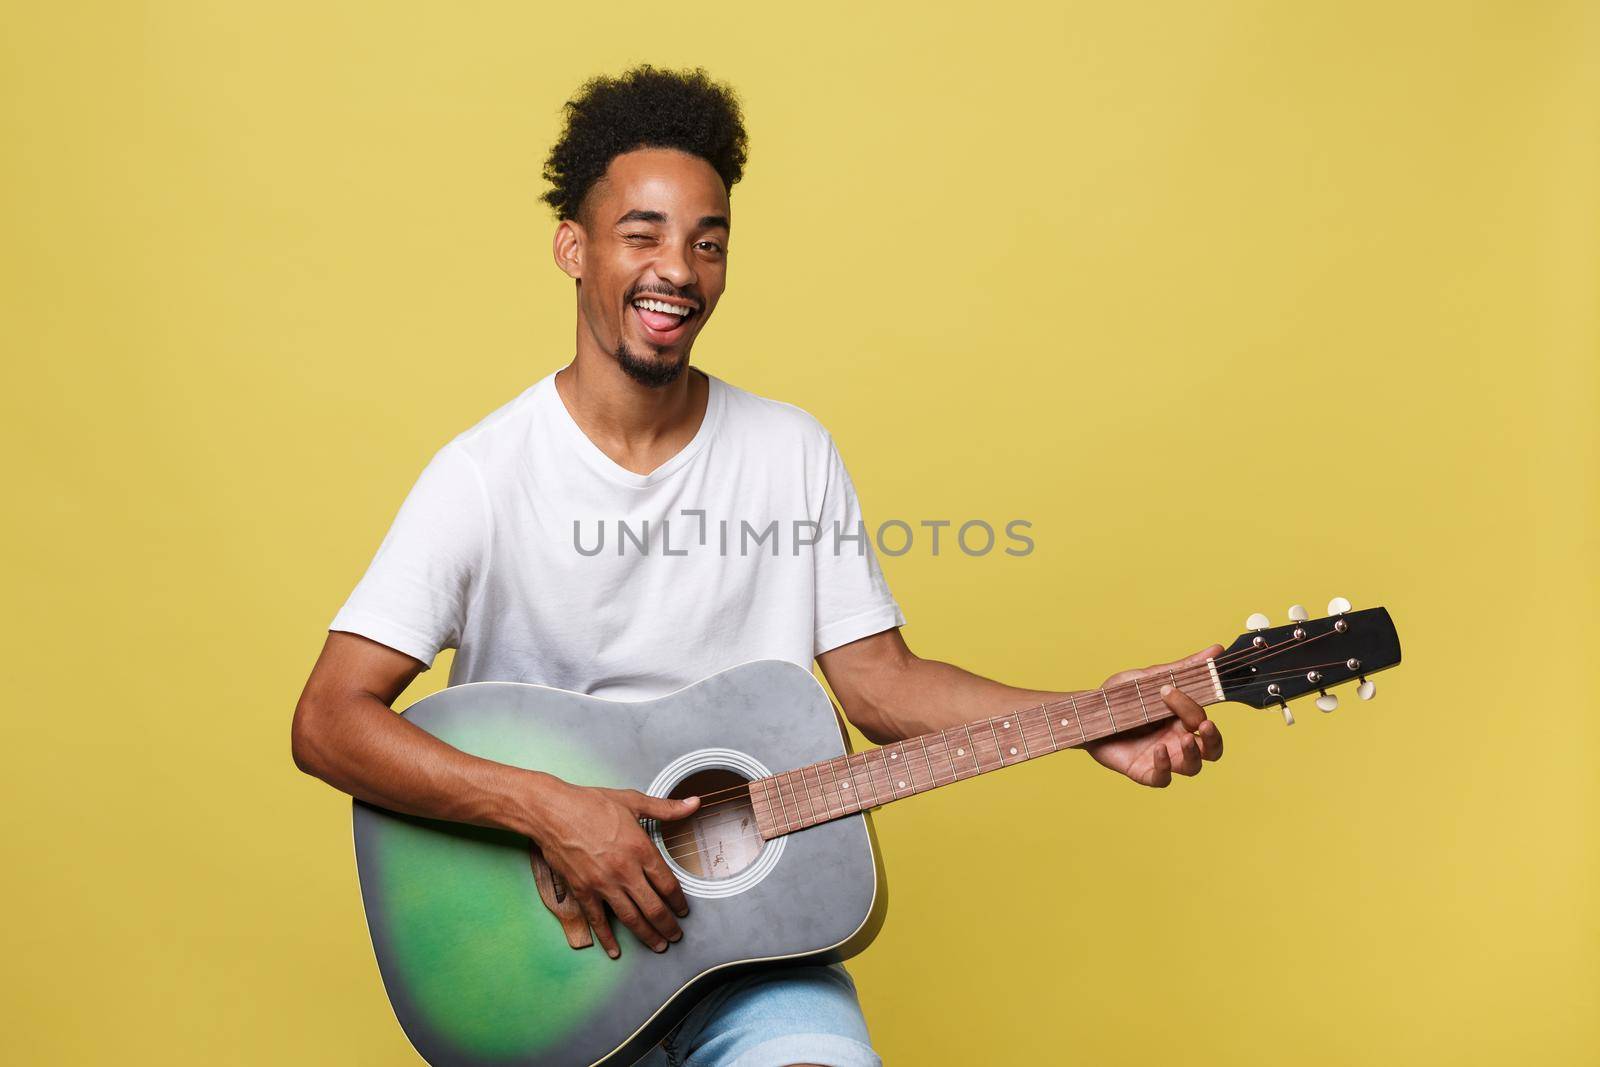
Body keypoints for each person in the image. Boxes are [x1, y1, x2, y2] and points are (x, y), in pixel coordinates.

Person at [291, 65, 1223, 1067]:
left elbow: (883, 685)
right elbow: (328, 719)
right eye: (641, 234)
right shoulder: (480, 475)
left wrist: (1087, 716)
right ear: (573, 246)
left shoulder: (790, 451)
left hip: (756, 957)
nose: (678, 270)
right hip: (553, 963)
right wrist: (555, 811)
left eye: (707, 241)